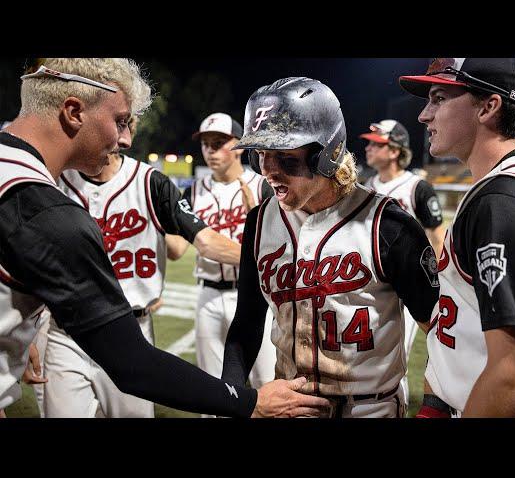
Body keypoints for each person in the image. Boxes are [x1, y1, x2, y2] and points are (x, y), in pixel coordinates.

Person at [0, 58, 328, 418]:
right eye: (120, 120)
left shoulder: (22, 174)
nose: (125, 138)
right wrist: (252, 402)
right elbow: (133, 365)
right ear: (74, 111)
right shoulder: (46, 210)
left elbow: (187, 244)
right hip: (87, 332)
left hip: (122, 317)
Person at [221, 77, 440, 418]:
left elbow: (439, 330)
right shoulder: (259, 222)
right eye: (260, 154)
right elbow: (247, 322)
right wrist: (231, 398)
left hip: (371, 409)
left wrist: (435, 406)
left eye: (284, 156)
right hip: (289, 409)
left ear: (328, 152)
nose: (268, 171)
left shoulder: (388, 225)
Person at [399, 58, 515, 417]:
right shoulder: (507, 188)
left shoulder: (505, 201)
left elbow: (514, 376)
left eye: (438, 98)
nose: (424, 114)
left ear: (488, 106)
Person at [43, 116, 239, 417]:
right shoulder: (55, 181)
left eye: (125, 127)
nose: (123, 140)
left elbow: (202, 242)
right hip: (67, 331)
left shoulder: (150, 182)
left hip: (130, 330)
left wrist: (261, 261)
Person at [179, 114, 277, 416]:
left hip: (255, 297)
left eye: (219, 143)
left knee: (267, 383)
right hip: (208, 294)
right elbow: (175, 249)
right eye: (206, 144)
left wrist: (258, 218)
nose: (211, 150)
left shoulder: (263, 186)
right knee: (212, 387)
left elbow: (283, 249)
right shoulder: (193, 191)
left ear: (238, 145)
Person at [360, 119, 445, 409]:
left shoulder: (417, 187)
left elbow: (436, 236)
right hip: (369, 286)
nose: (369, 147)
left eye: (377, 143)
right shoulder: (363, 186)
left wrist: (440, 282)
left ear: (395, 150)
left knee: (398, 361)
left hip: (407, 288)